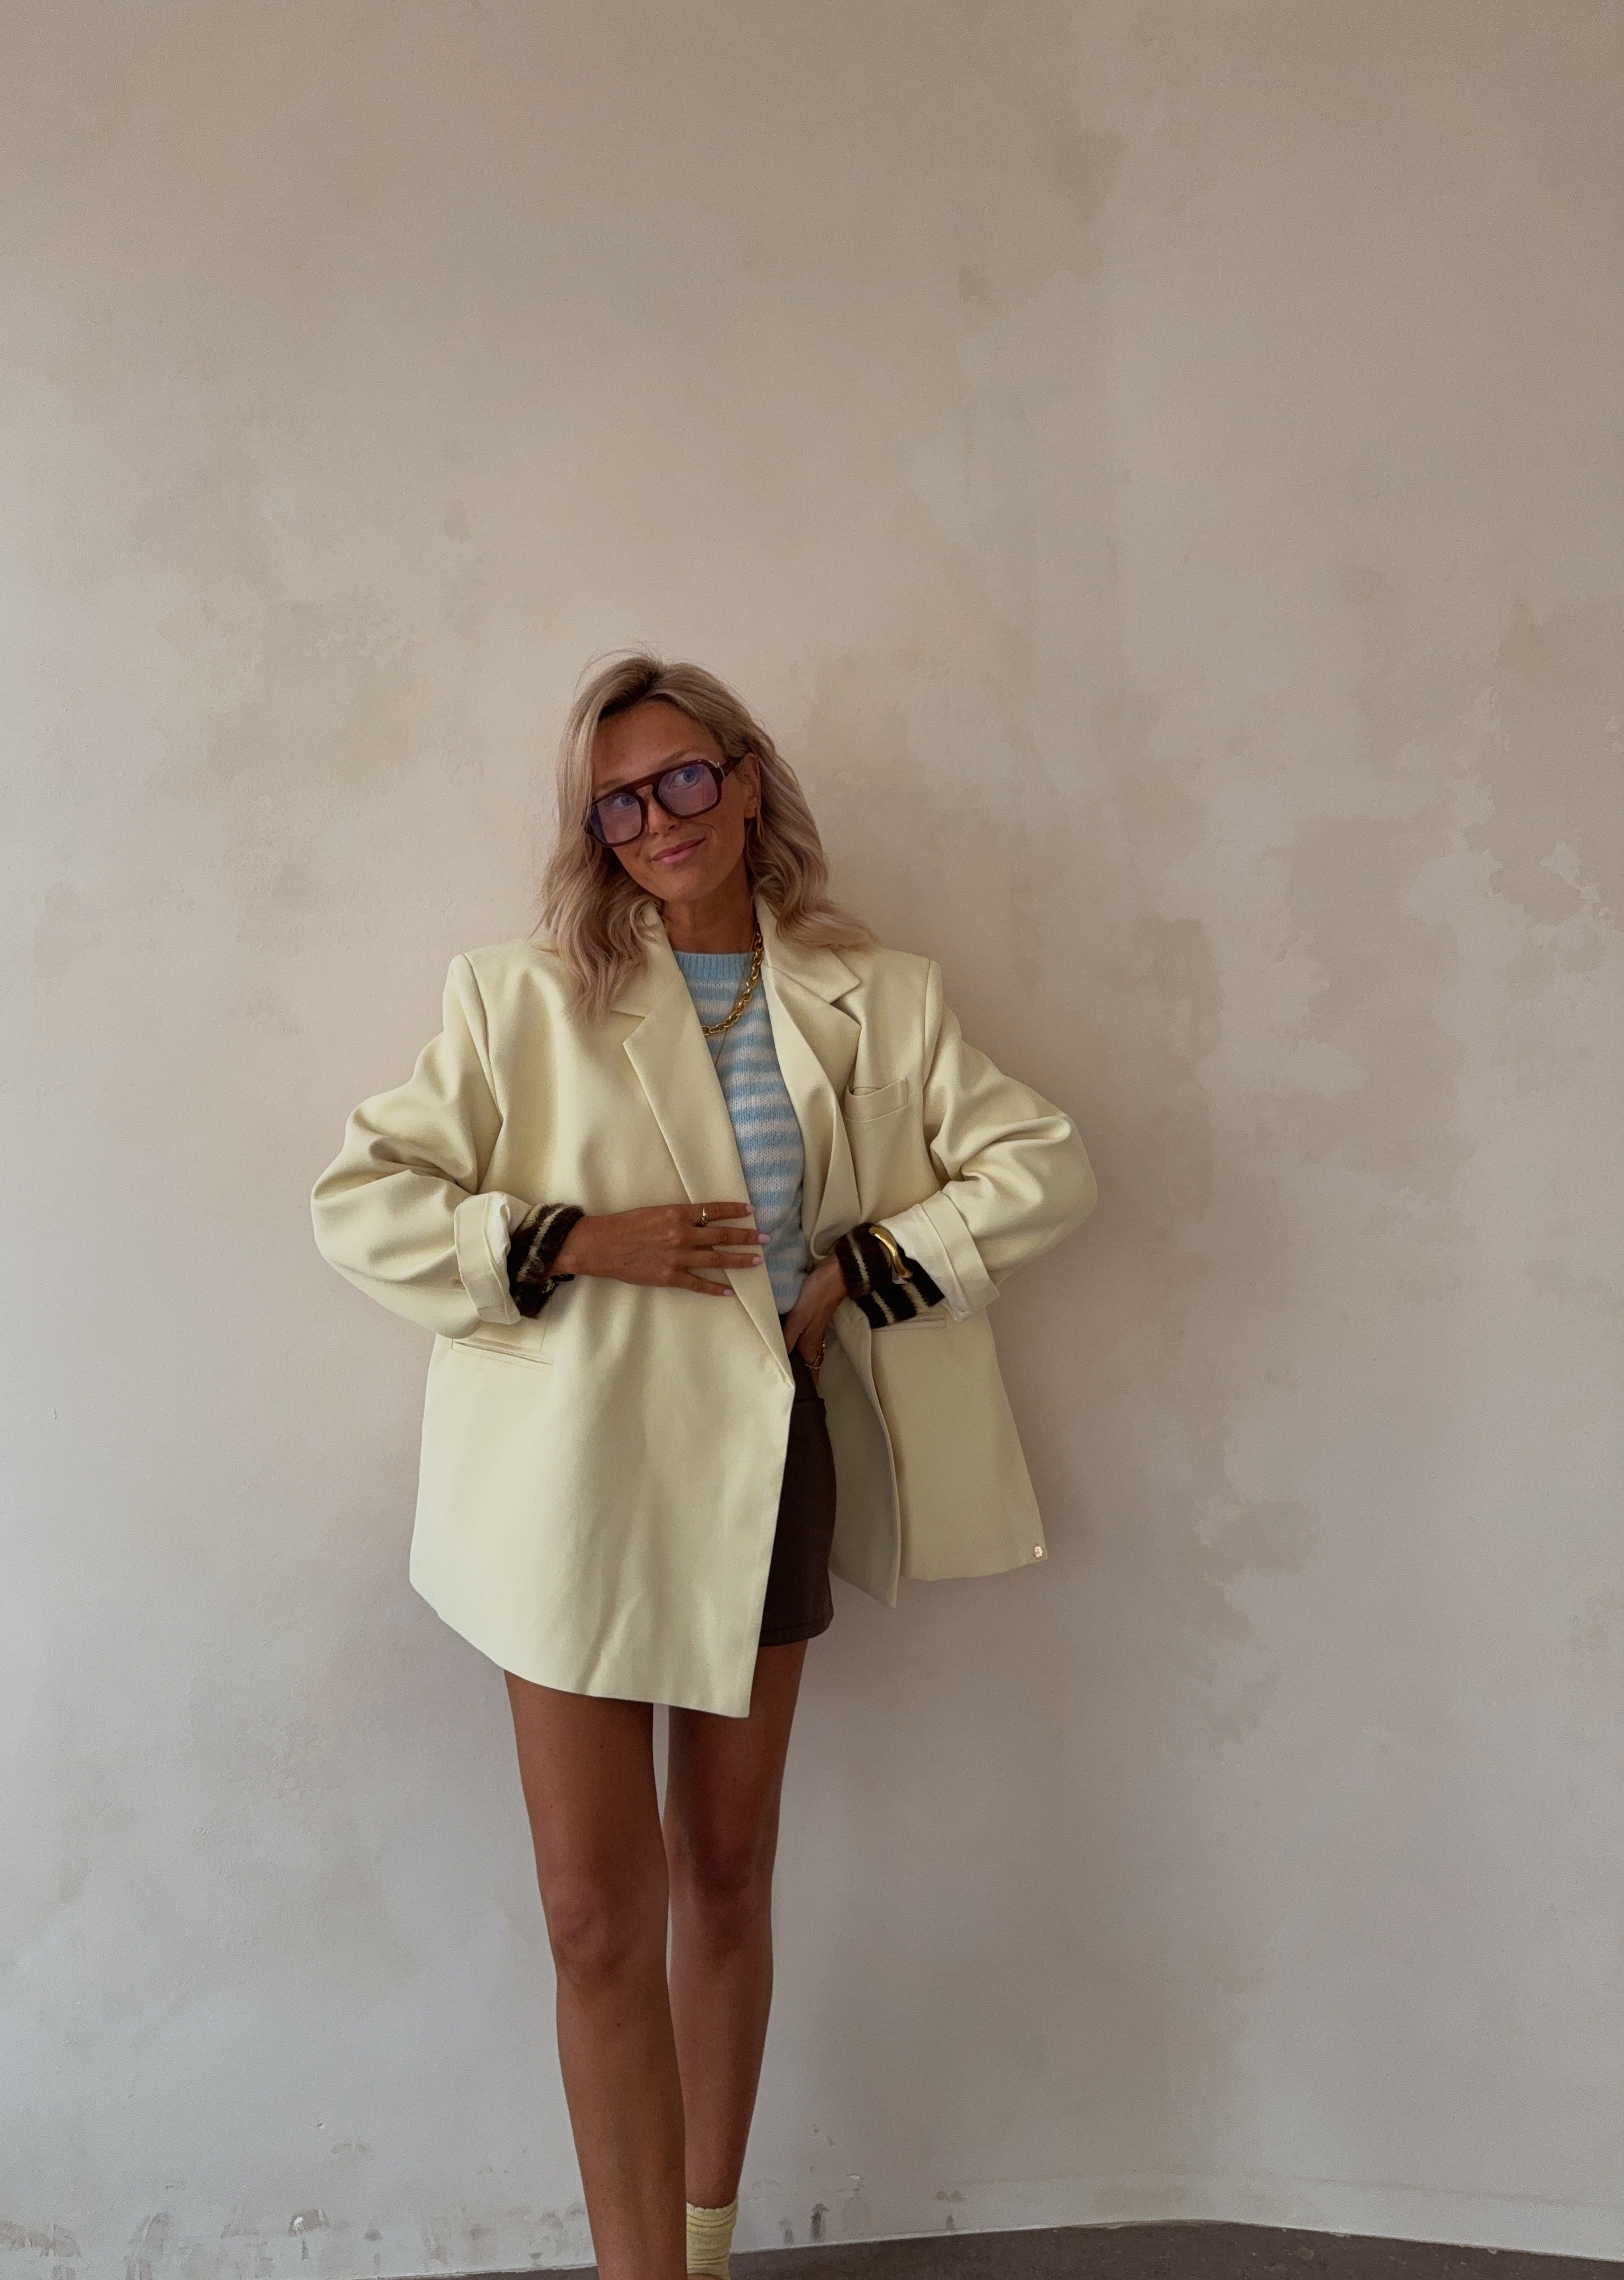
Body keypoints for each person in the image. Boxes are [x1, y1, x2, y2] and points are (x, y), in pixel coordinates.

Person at [310, 653, 1098, 2280]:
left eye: (683, 778)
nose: (658, 819)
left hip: (766, 1465)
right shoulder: (518, 997)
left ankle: (704, 2248)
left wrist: (866, 1267)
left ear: (745, 779)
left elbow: (1040, 1163)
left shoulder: (879, 993)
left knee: (726, 1875)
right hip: (574, 1486)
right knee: (595, 1911)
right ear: (593, 830)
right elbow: (361, 1199)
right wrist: (569, 1239)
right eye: (618, 800)